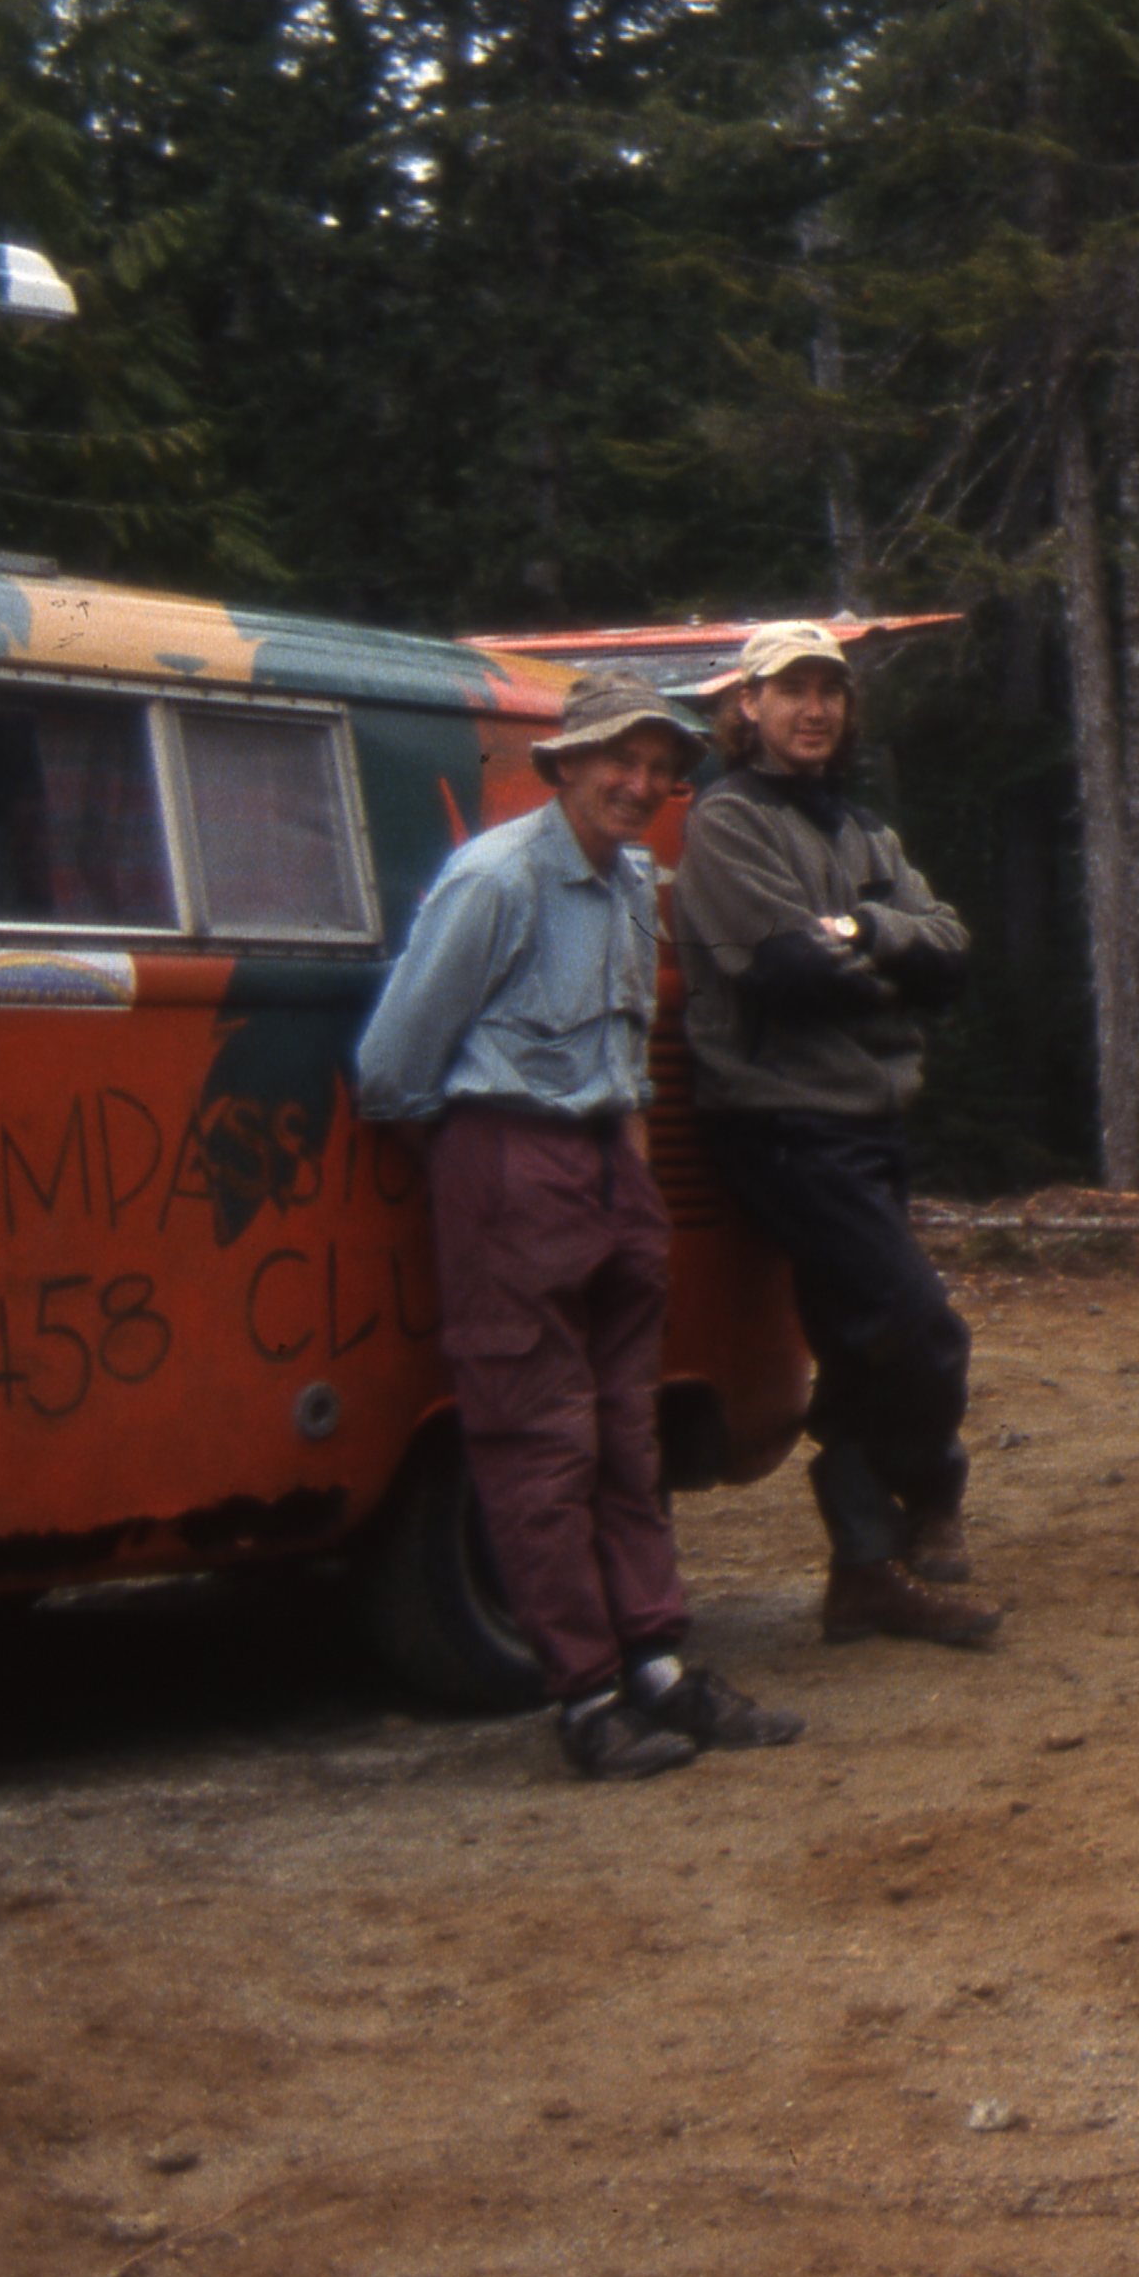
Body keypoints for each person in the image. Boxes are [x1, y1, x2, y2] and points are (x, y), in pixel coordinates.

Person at [352, 677, 804, 1782]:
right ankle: (585, 1695)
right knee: (536, 1443)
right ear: (563, 765)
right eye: (619, 760)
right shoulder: (496, 881)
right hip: (510, 1165)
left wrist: (631, 1165)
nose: (640, 785)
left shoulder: (630, 882)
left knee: (626, 1432)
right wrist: (486, 1166)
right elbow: (390, 1069)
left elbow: (623, 1047)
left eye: (660, 768)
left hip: (612, 1168)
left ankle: (657, 1664)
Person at [670, 622, 1005, 1652]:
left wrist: (864, 932)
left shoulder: (862, 830)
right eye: (790, 691)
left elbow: (950, 953)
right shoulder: (725, 822)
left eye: (829, 692)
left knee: (863, 1341)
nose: (813, 709)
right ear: (748, 709)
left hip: (865, 1119)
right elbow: (783, 971)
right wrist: (882, 959)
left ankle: (864, 1575)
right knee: (918, 1326)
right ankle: (930, 1490)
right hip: (781, 1122)